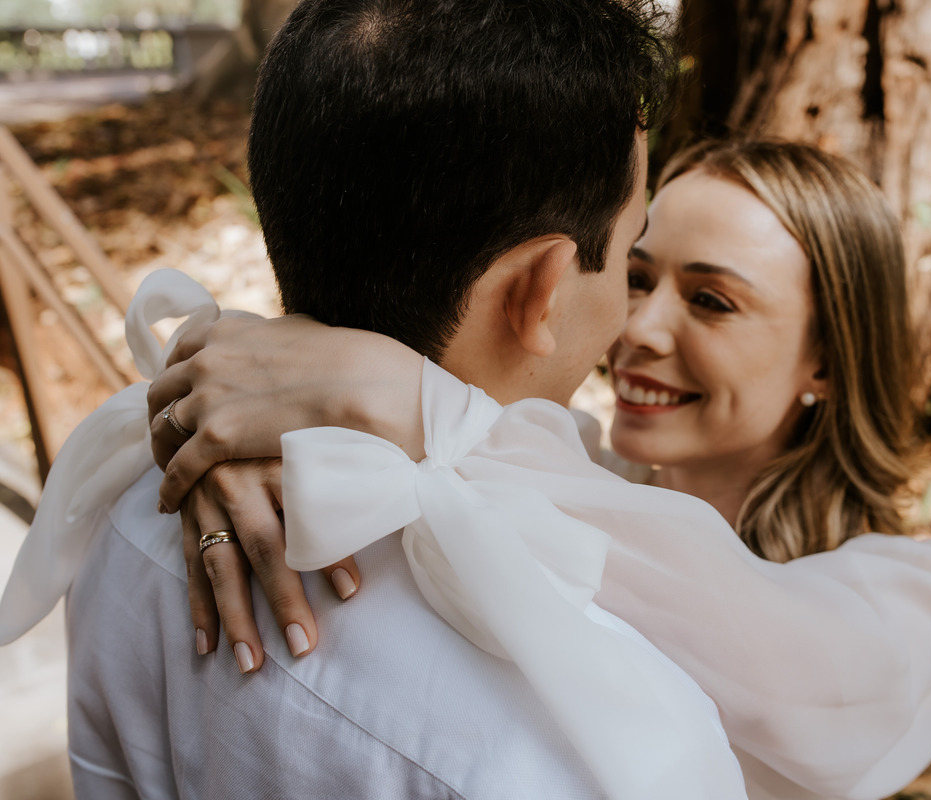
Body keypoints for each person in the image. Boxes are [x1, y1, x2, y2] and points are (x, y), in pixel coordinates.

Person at [0, 0, 754, 797]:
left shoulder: (125, 500)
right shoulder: (620, 746)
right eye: (629, 260)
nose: (631, 317)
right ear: (543, 287)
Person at [147, 137, 931, 800]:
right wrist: (239, 420)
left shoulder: (914, 602)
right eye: (637, 276)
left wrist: (412, 406)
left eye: (711, 301)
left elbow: (791, 666)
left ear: (828, 359)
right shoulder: (566, 463)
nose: (638, 329)